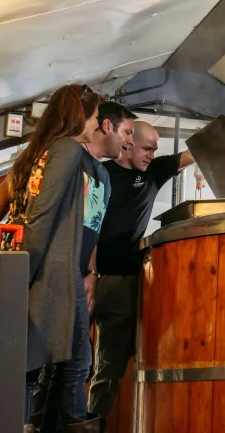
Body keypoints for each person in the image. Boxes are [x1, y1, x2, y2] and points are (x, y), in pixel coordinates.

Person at [0, 94, 135, 432]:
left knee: (72, 360)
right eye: (128, 133)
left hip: (68, 270)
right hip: (39, 266)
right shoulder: (63, 153)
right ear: (98, 123)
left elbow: (91, 226)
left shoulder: (101, 172)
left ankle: (52, 423)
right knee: (34, 359)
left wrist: (89, 272)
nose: (129, 142)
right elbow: (32, 209)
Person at [87, 121, 194, 428]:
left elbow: (191, 155)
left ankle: (93, 423)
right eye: (147, 149)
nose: (151, 155)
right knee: (86, 360)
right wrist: (90, 272)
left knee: (111, 362)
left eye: (155, 150)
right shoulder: (101, 174)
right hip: (93, 277)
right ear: (128, 143)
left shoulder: (154, 172)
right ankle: (72, 422)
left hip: (125, 281)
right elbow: (90, 225)